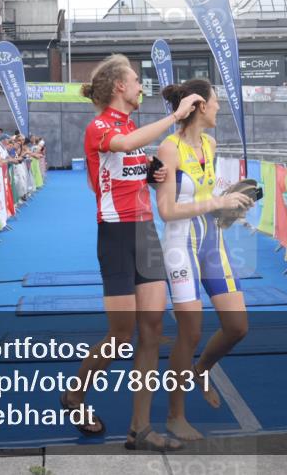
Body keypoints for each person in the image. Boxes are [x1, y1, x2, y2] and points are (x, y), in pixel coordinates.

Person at [60, 54, 202, 452]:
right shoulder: (100, 126)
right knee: (122, 335)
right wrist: (175, 118)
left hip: (145, 235)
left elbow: (130, 165)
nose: (142, 85)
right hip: (117, 237)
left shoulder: (131, 125)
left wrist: (151, 174)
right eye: (137, 80)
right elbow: (122, 147)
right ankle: (74, 395)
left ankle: (140, 427)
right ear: (119, 87)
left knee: (153, 331)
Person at [155, 79, 254, 440]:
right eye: (214, 102)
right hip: (181, 244)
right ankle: (174, 416)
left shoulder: (210, 144)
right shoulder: (168, 149)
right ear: (199, 106)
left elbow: (209, 194)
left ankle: (202, 369)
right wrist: (216, 203)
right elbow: (166, 210)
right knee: (191, 331)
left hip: (213, 242)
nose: (218, 108)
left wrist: (232, 209)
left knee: (237, 327)